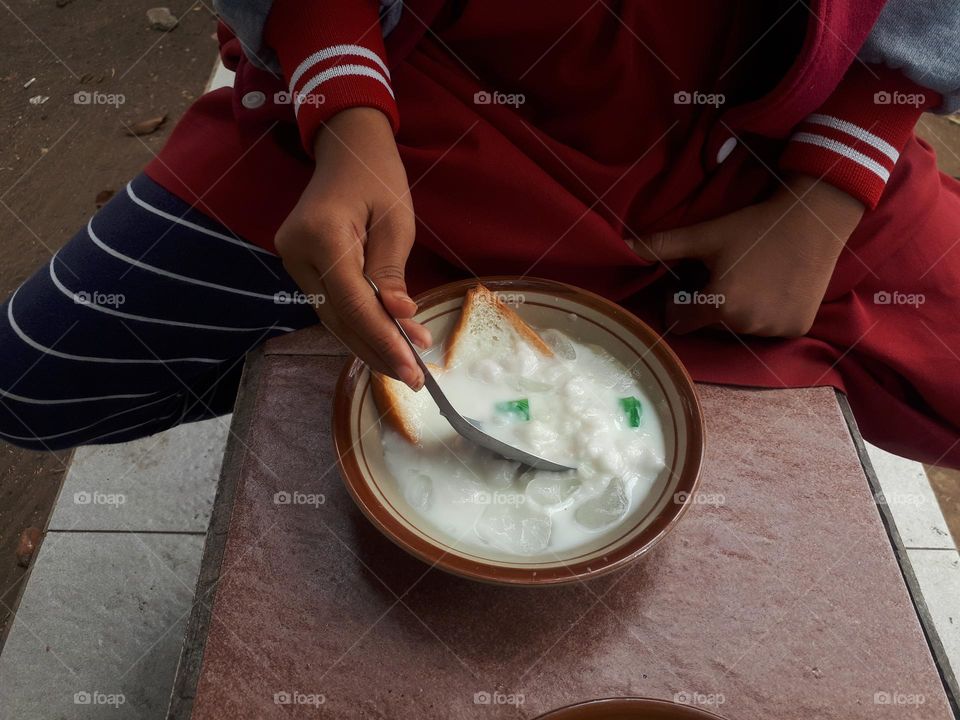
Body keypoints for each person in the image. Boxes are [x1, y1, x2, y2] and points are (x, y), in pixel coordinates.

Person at [1, 0, 959, 467]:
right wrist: (344, 114)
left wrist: (831, 186)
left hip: (759, 158)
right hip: (417, 110)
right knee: (32, 377)